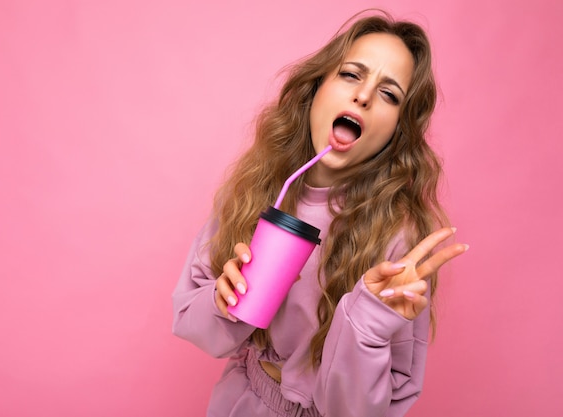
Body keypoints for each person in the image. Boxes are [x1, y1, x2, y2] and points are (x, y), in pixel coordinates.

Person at [173, 9, 468, 417]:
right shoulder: (259, 188)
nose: (363, 96)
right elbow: (190, 319)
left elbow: (363, 411)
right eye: (351, 75)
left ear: (397, 130)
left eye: (389, 94)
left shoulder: (400, 239)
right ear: (317, 88)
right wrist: (224, 304)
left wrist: (369, 323)